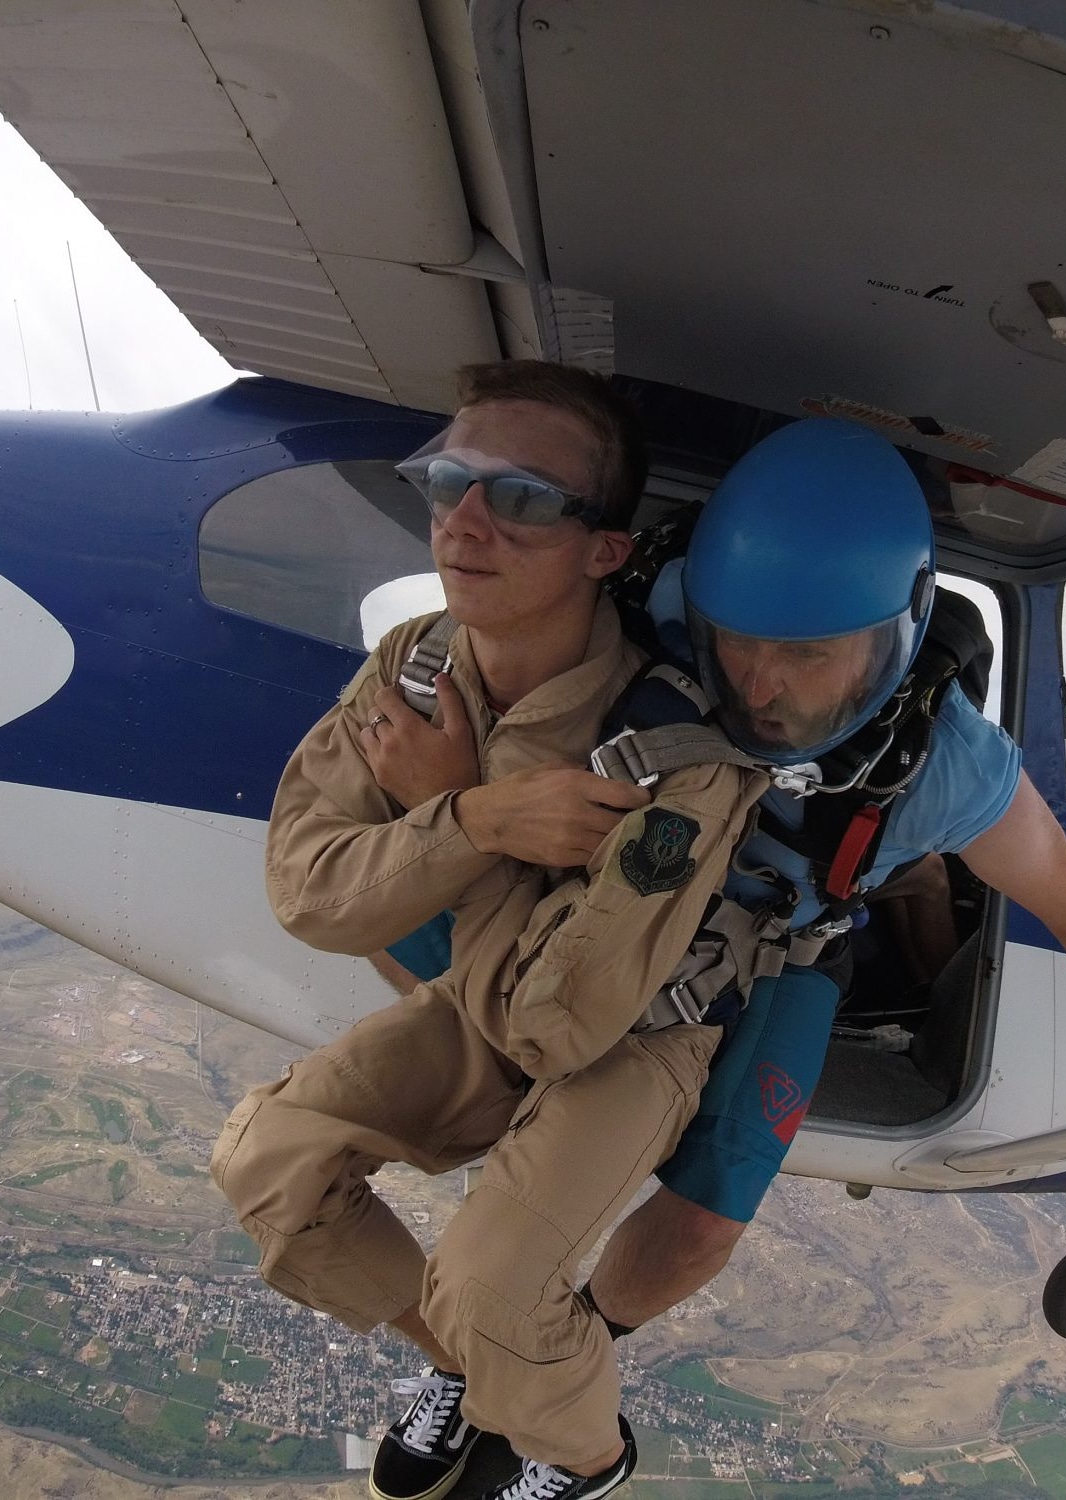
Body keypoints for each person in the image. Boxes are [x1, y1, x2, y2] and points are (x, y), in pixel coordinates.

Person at [366, 415, 1066, 1483]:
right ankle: (478, 1352)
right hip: (615, 894)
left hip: (785, 947)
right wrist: (452, 808)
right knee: (393, 917)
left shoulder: (948, 766)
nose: (762, 687)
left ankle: (541, 1363)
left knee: (701, 1229)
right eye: (737, 642)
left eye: (806, 655)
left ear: (895, 636)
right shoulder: (642, 616)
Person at [211, 361, 768, 1500]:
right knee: (271, 1157)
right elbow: (310, 890)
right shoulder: (415, 667)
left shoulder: (675, 757)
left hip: (634, 1034)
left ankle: (585, 1454)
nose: (464, 522)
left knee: (494, 1281)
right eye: (447, 481)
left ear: (604, 550)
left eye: (521, 499)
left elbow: (555, 1025)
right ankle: (472, 1376)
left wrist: (450, 823)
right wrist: (479, 816)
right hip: (491, 994)